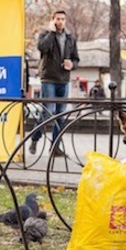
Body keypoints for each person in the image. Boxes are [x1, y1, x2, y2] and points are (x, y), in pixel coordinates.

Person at [31, 10, 79, 156]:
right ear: (53, 20)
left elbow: (76, 58)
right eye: (58, 19)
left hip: (64, 79)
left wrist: (72, 64)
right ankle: (34, 139)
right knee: (48, 112)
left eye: (63, 19)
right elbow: (42, 47)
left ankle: (55, 147)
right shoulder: (45, 35)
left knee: (61, 115)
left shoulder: (70, 38)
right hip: (49, 78)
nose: (60, 21)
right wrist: (51, 33)